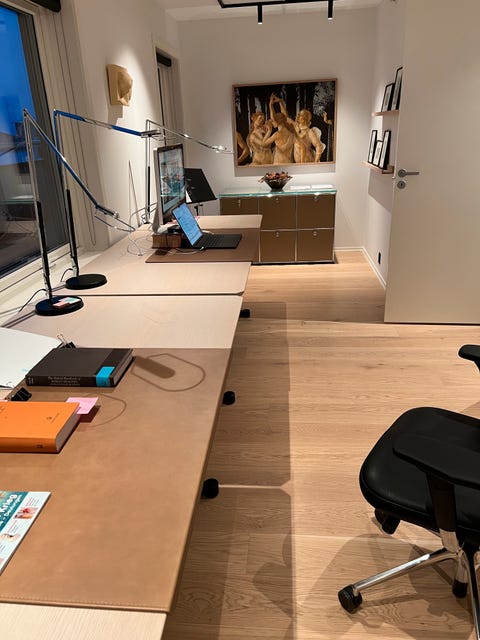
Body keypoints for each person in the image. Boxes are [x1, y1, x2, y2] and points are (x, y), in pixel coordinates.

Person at [262, 94, 295, 165]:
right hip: (288, 162)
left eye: (273, 121)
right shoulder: (291, 133)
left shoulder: (277, 134)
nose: (272, 123)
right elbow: (284, 117)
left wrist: (269, 131)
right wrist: (279, 103)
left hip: (278, 162)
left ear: (277, 122)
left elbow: (263, 144)